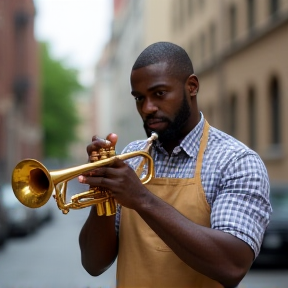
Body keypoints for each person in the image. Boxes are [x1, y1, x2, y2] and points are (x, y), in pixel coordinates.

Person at [78, 42, 272, 288]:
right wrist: (101, 194)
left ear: (191, 86)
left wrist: (140, 198)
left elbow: (231, 265)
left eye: (159, 93)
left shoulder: (236, 162)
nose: (147, 108)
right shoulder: (132, 157)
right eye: (139, 98)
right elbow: (94, 264)